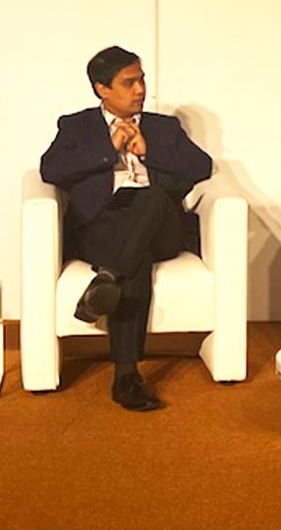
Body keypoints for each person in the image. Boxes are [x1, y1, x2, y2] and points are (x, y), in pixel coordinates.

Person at [40, 46, 212, 411]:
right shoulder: (77, 126)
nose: (140, 89)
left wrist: (150, 153)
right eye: (128, 82)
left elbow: (202, 166)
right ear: (102, 89)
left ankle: (107, 276)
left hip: (159, 221)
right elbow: (50, 170)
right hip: (105, 224)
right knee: (135, 257)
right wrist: (108, 149)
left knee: (150, 199)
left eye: (142, 80)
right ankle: (126, 377)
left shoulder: (164, 128)